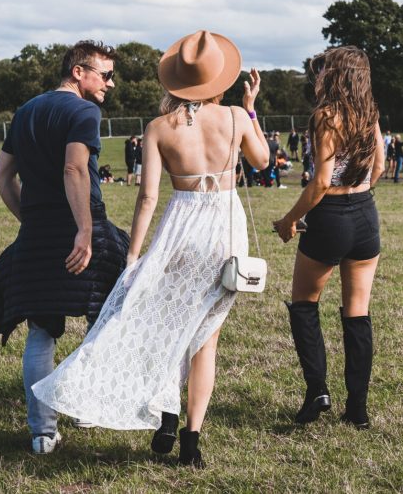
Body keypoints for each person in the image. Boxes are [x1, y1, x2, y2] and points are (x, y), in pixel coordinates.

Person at [32, 31, 267, 467]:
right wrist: (251, 109)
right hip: (223, 229)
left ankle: (166, 413)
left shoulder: (159, 128)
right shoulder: (236, 116)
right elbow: (263, 161)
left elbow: (147, 198)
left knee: (170, 324)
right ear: (219, 78)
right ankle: (191, 441)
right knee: (204, 338)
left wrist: (134, 254)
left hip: (180, 227)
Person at [0, 40, 129, 456]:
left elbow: (1, 176)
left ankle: (42, 433)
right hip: (84, 227)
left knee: (41, 332)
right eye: (105, 74)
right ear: (78, 72)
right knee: (105, 317)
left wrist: (28, 219)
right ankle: (86, 406)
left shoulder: (26, 110)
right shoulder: (84, 111)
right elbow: (74, 167)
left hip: (37, 234)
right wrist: (83, 229)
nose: (110, 84)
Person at [273, 45, 385, 431]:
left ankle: (317, 391)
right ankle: (358, 408)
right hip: (365, 214)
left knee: (305, 304)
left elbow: (321, 181)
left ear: (335, 75)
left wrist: (290, 219)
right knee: (358, 313)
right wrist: (359, 194)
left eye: (323, 69)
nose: (317, 75)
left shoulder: (327, 115)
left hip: (330, 217)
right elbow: (380, 166)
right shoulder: (369, 112)